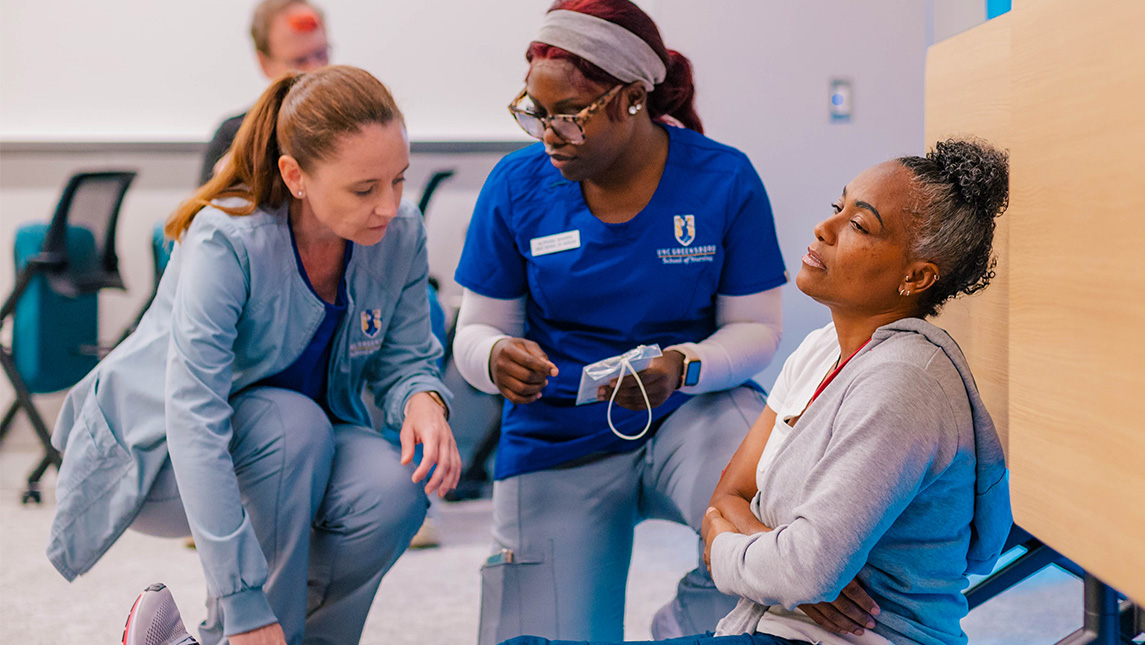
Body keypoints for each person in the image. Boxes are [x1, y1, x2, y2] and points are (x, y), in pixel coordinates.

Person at [502, 138, 1014, 645]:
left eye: (858, 224)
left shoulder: (905, 381)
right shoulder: (819, 349)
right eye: (837, 207)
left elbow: (794, 566)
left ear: (916, 276)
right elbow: (726, 495)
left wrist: (729, 545)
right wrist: (777, 558)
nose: (824, 227)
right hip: (773, 624)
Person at [47, 65, 461, 645]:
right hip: (159, 458)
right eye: (364, 189)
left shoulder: (400, 232)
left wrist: (421, 397)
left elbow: (408, 356)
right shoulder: (226, 240)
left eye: (399, 180)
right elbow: (192, 418)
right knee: (290, 424)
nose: (389, 206)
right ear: (296, 176)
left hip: (296, 450)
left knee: (394, 482)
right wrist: (243, 606)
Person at [451, 1, 788, 642]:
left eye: (568, 117)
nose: (549, 135)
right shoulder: (516, 186)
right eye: (535, 113)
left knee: (776, 537)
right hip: (558, 434)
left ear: (632, 98)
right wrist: (494, 358)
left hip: (691, 413)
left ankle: (687, 625)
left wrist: (685, 366)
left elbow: (758, 330)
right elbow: (475, 332)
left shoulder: (723, 179)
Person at [200, 0, 330, 185]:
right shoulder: (235, 137)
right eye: (299, 61)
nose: (315, 70)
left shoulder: (356, 126)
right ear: (264, 63)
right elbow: (200, 211)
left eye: (321, 54)